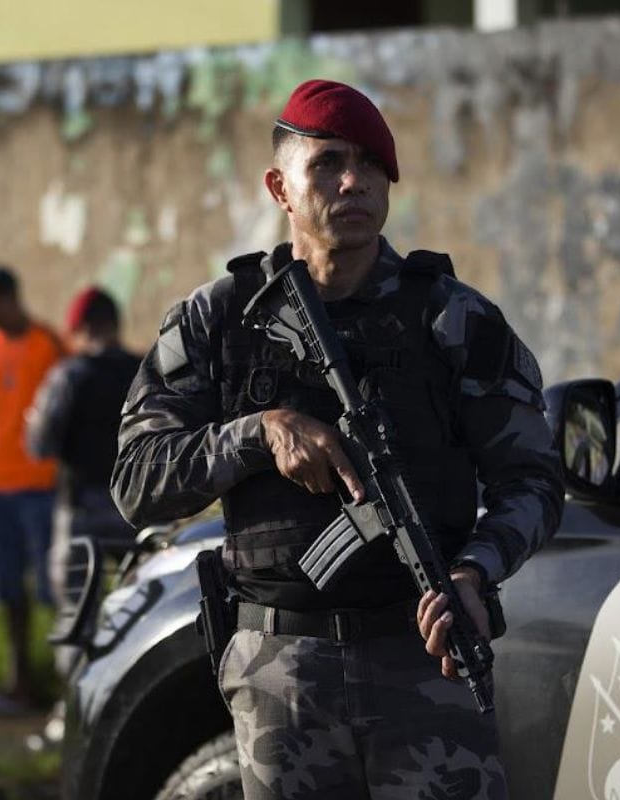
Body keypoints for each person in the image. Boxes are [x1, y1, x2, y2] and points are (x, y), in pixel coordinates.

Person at [111, 79, 564, 799]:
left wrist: (475, 575)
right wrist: (260, 433)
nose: (354, 181)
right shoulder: (217, 322)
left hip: (428, 662)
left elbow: (535, 480)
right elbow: (138, 483)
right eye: (327, 162)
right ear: (279, 185)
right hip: (282, 675)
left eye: (372, 164)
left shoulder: (453, 322)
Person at [0, 265, 63, 714]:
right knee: (9, 587)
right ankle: (20, 684)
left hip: (41, 486)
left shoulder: (47, 344)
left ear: (9, 297)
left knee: (53, 588)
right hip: (1, 486)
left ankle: (65, 690)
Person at [26, 286, 140, 653]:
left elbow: (40, 443)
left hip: (81, 511)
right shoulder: (144, 371)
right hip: (136, 511)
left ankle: (76, 702)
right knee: (138, 611)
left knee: (77, 616)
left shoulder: (70, 374)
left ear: (82, 327)